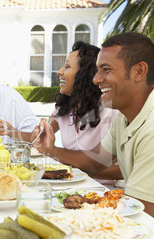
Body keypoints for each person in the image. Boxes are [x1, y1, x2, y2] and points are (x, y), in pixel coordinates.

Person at [33, 32, 154, 226]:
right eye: (97, 70)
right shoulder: (125, 116)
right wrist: (52, 150)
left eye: (106, 70)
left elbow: (133, 215)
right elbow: (94, 163)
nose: (95, 79)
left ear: (139, 72)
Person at [49, 41, 122, 187]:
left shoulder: (111, 110)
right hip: (68, 184)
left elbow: (122, 170)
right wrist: (9, 130)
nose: (60, 71)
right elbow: (40, 137)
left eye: (67, 66)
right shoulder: (63, 108)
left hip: (100, 190)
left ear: (84, 74)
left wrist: (77, 169)